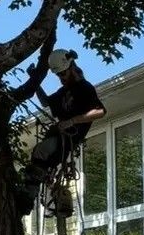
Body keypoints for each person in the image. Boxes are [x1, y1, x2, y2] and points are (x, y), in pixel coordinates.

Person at [15, 49, 106, 218]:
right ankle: (37, 191)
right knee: (39, 155)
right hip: (58, 135)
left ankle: (28, 197)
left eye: (63, 74)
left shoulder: (85, 88)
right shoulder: (64, 91)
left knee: (41, 151)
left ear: (71, 67)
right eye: (58, 76)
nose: (61, 78)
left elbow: (100, 111)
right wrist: (34, 80)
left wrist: (72, 121)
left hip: (68, 138)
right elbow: (45, 102)